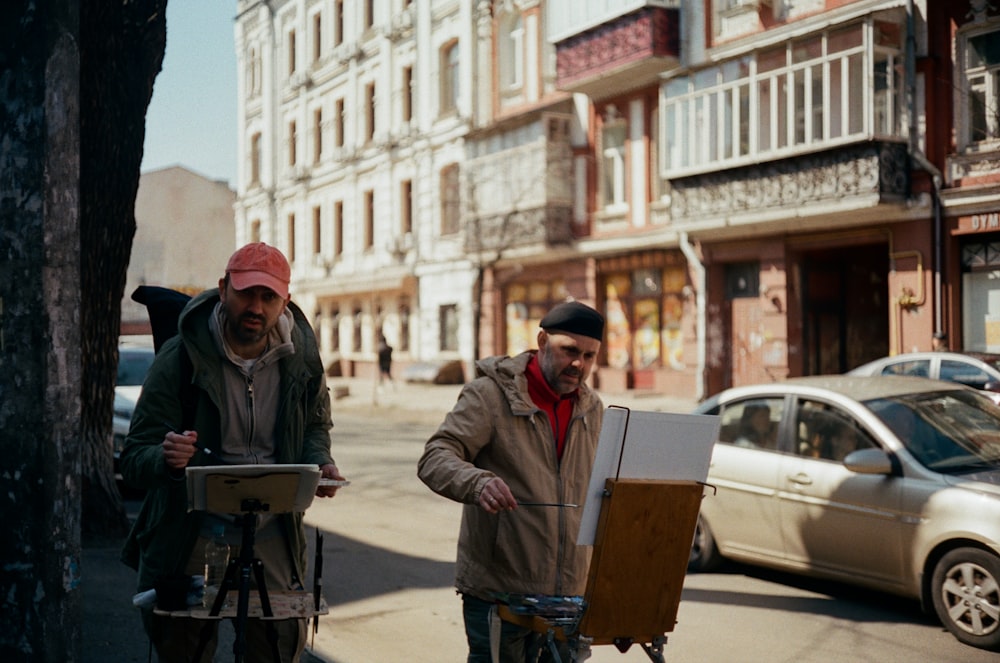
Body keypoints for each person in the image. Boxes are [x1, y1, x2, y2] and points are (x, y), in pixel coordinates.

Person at [120, 242, 346, 663]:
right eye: (246, 293)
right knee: (183, 647)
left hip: (273, 531)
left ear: (285, 301)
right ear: (223, 289)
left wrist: (321, 462)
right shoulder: (181, 357)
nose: (256, 307)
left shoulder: (303, 360)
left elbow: (315, 426)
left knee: (278, 648)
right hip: (193, 530)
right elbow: (135, 457)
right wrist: (167, 459)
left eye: (268, 297)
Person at [417, 300, 605, 663]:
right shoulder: (489, 396)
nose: (579, 364)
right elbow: (436, 456)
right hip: (499, 593)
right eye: (569, 351)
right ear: (542, 341)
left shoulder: (592, 408)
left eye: (589, 355)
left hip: (570, 597)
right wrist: (476, 483)